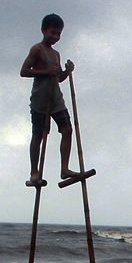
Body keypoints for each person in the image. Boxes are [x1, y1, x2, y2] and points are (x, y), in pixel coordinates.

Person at [20, 13, 89, 187]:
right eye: (52, 33)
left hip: (56, 98)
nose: (55, 37)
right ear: (44, 31)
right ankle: (34, 172)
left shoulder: (56, 54)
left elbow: (57, 79)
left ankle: (64, 169)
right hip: (40, 100)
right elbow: (24, 71)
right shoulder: (37, 49)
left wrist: (67, 72)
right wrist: (45, 72)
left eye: (58, 34)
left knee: (67, 130)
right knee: (39, 135)